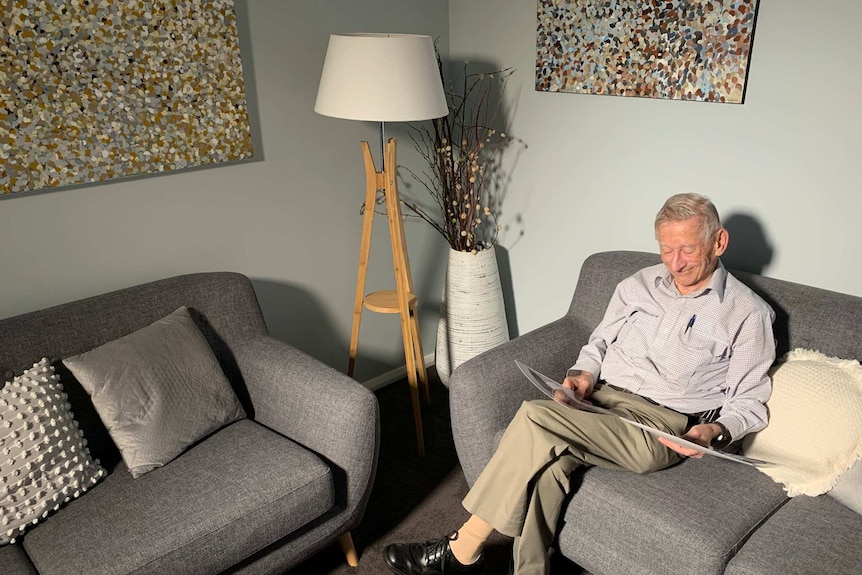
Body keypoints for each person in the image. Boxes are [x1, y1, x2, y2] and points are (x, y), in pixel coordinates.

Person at [383, 193, 777, 575]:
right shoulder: (638, 285)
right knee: (547, 467)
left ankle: (462, 549)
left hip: (658, 428)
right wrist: (583, 374)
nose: (675, 263)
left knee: (535, 417)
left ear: (718, 242)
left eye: (687, 249)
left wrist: (715, 430)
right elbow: (599, 343)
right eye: (666, 249)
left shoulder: (747, 314)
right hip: (601, 404)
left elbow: (751, 401)